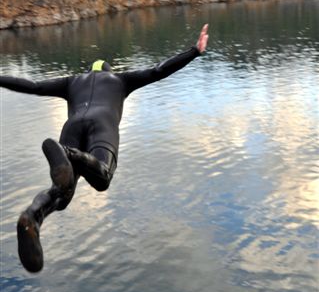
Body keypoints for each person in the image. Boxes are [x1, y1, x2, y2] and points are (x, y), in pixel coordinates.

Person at [0, 24, 209, 273]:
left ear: (89, 71)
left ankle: (32, 216)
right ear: (110, 70)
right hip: (102, 126)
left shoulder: (72, 81)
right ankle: (69, 155)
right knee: (102, 177)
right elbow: (158, 71)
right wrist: (194, 51)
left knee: (61, 193)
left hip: (71, 128)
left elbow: (32, 85)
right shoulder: (120, 80)